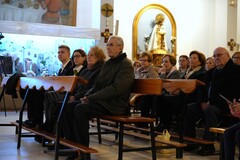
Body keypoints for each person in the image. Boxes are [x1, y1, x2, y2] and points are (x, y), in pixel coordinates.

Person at [61, 36, 134, 160]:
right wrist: (87, 95)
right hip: (103, 101)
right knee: (68, 107)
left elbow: (117, 89)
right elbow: (96, 85)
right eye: (108, 45)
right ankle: (75, 148)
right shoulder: (109, 64)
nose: (108, 47)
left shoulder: (126, 64)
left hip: (115, 104)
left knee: (80, 109)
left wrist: (92, 98)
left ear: (120, 47)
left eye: (112, 45)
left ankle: (84, 153)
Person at [185, 47, 240, 155]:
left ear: (227, 56)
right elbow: (202, 86)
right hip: (208, 103)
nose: (216, 58)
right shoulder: (211, 72)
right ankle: (190, 142)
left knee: (210, 110)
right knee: (189, 108)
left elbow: (233, 91)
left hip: (226, 104)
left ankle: (208, 145)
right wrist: (202, 101)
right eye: (214, 56)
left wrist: (211, 102)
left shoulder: (236, 70)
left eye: (219, 55)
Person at [22, 45, 74, 128]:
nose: (60, 54)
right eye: (58, 52)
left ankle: (37, 121)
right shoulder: (62, 68)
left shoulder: (71, 67)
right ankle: (33, 119)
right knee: (33, 90)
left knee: (39, 93)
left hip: (64, 93)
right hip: (59, 90)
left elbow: (67, 84)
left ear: (68, 54)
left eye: (62, 52)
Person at [44, 48, 89, 133]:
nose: (75, 58)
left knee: (51, 98)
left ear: (84, 58)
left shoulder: (84, 70)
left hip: (74, 95)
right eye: (74, 56)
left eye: (78, 56)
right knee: (49, 97)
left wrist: (74, 96)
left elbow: (81, 87)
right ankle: (49, 125)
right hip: (68, 92)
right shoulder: (73, 70)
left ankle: (50, 127)